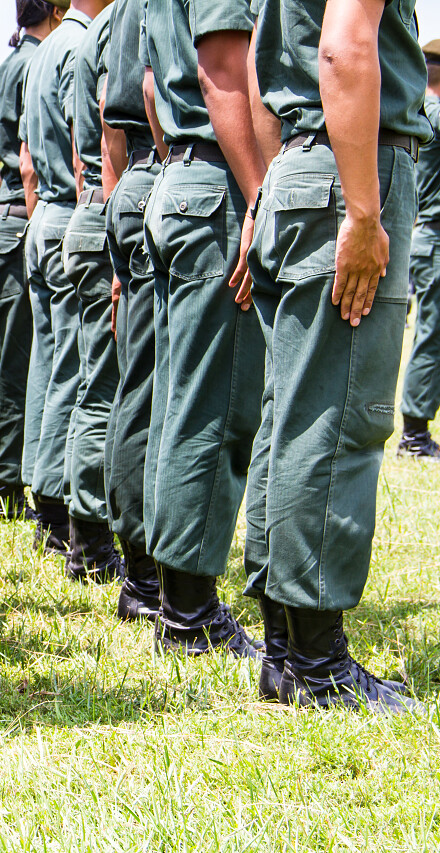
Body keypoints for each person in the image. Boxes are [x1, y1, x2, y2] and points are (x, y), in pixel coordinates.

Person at [244, 0, 429, 712]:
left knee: (289, 415)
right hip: (351, 164)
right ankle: (317, 664)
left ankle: (286, 651)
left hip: (300, 158)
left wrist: (272, 187)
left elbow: (265, 68)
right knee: (337, 417)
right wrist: (362, 211)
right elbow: (346, 49)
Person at [141, 0, 268, 660]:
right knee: (212, 410)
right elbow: (223, 68)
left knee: (180, 405)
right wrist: (258, 199)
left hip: (181, 172)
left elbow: (146, 87)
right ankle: (189, 614)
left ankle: (178, 599)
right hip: (217, 177)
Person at [0, 0, 62, 525]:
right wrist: (27, 221)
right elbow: (28, 164)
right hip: (21, 221)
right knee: (21, 363)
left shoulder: (7, 65)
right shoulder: (44, 59)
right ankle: (4, 489)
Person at [19, 0, 103, 556]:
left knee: (49, 363)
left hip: (43, 216)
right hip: (71, 212)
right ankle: (60, 506)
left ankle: (45, 494)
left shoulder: (44, 50)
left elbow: (27, 159)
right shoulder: (80, 45)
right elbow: (83, 152)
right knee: (76, 369)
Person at [101, 0, 162, 621]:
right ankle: (149, 574)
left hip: (133, 176)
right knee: (158, 390)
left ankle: (143, 568)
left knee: (135, 382)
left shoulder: (116, 14)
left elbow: (105, 125)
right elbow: (150, 92)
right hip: (163, 165)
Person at [61, 2, 122, 583]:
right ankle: (93, 540)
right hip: (107, 212)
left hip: (89, 209)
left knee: (90, 381)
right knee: (106, 384)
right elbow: (110, 128)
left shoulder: (81, 38)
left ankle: (89, 535)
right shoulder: (108, 30)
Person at [397, 40, 440, 459]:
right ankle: (413, 434)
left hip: (425, 235)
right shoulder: (436, 111)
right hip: (435, 238)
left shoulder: (420, 112)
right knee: (433, 334)